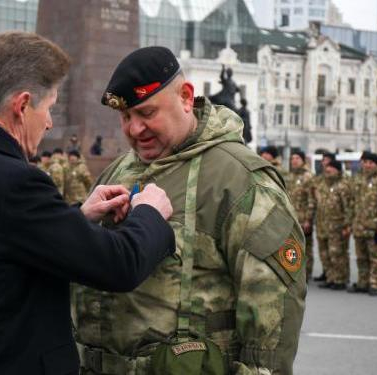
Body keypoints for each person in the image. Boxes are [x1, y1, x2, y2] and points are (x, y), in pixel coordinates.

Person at [0, 32, 176, 375]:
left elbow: (4, 240)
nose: (50, 121)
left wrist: (77, 217)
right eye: (49, 107)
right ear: (22, 107)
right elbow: (118, 265)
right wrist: (150, 214)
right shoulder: (13, 182)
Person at [74, 46, 306, 374]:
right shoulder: (118, 172)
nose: (134, 130)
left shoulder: (239, 179)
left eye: (147, 113)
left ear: (185, 97)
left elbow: (272, 310)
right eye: (126, 117)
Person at [348, 152, 377, 296]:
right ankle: (363, 282)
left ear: (376, 164)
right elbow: (352, 202)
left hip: (374, 227)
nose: (367, 165)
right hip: (359, 226)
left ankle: (375, 283)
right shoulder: (358, 179)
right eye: (364, 162)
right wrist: (351, 221)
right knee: (361, 257)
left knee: (376, 257)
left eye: (370, 162)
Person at [314, 160, 353, 290]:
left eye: (332, 167)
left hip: (337, 226)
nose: (328, 169)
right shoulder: (322, 185)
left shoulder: (343, 186)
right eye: (327, 167)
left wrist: (347, 225)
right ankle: (331, 277)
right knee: (325, 254)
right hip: (322, 225)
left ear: (338, 170)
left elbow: (348, 207)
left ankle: (340, 279)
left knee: (337, 254)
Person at [288, 150, 316, 281]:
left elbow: (311, 199)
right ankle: (294, 271)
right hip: (291, 218)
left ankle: (306, 273)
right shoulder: (291, 176)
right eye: (292, 158)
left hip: (303, 218)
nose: (294, 161)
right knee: (292, 246)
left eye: (297, 158)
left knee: (306, 247)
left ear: (303, 160)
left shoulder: (307, 176)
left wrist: (308, 219)